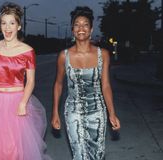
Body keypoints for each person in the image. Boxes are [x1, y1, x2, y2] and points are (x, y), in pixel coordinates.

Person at [0, 2, 51, 160]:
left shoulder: (27, 51)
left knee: (13, 149)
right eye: (3, 23)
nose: (7, 28)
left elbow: (31, 81)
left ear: (19, 26)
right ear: (0, 26)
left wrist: (23, 102)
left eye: (12, 23)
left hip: (16, 101)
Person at [51, 6, 120, 160]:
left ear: (91, 29)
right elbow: (58, 84)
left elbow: (106, 85)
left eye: (85, 24)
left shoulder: (103, 54)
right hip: (73, 112)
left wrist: (112, 113)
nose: (81, 28)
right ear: (72, 29)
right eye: (77, 24)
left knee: (98, 154)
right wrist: (55, 112)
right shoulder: (64, 56)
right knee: (79, 154)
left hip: (97, 112)